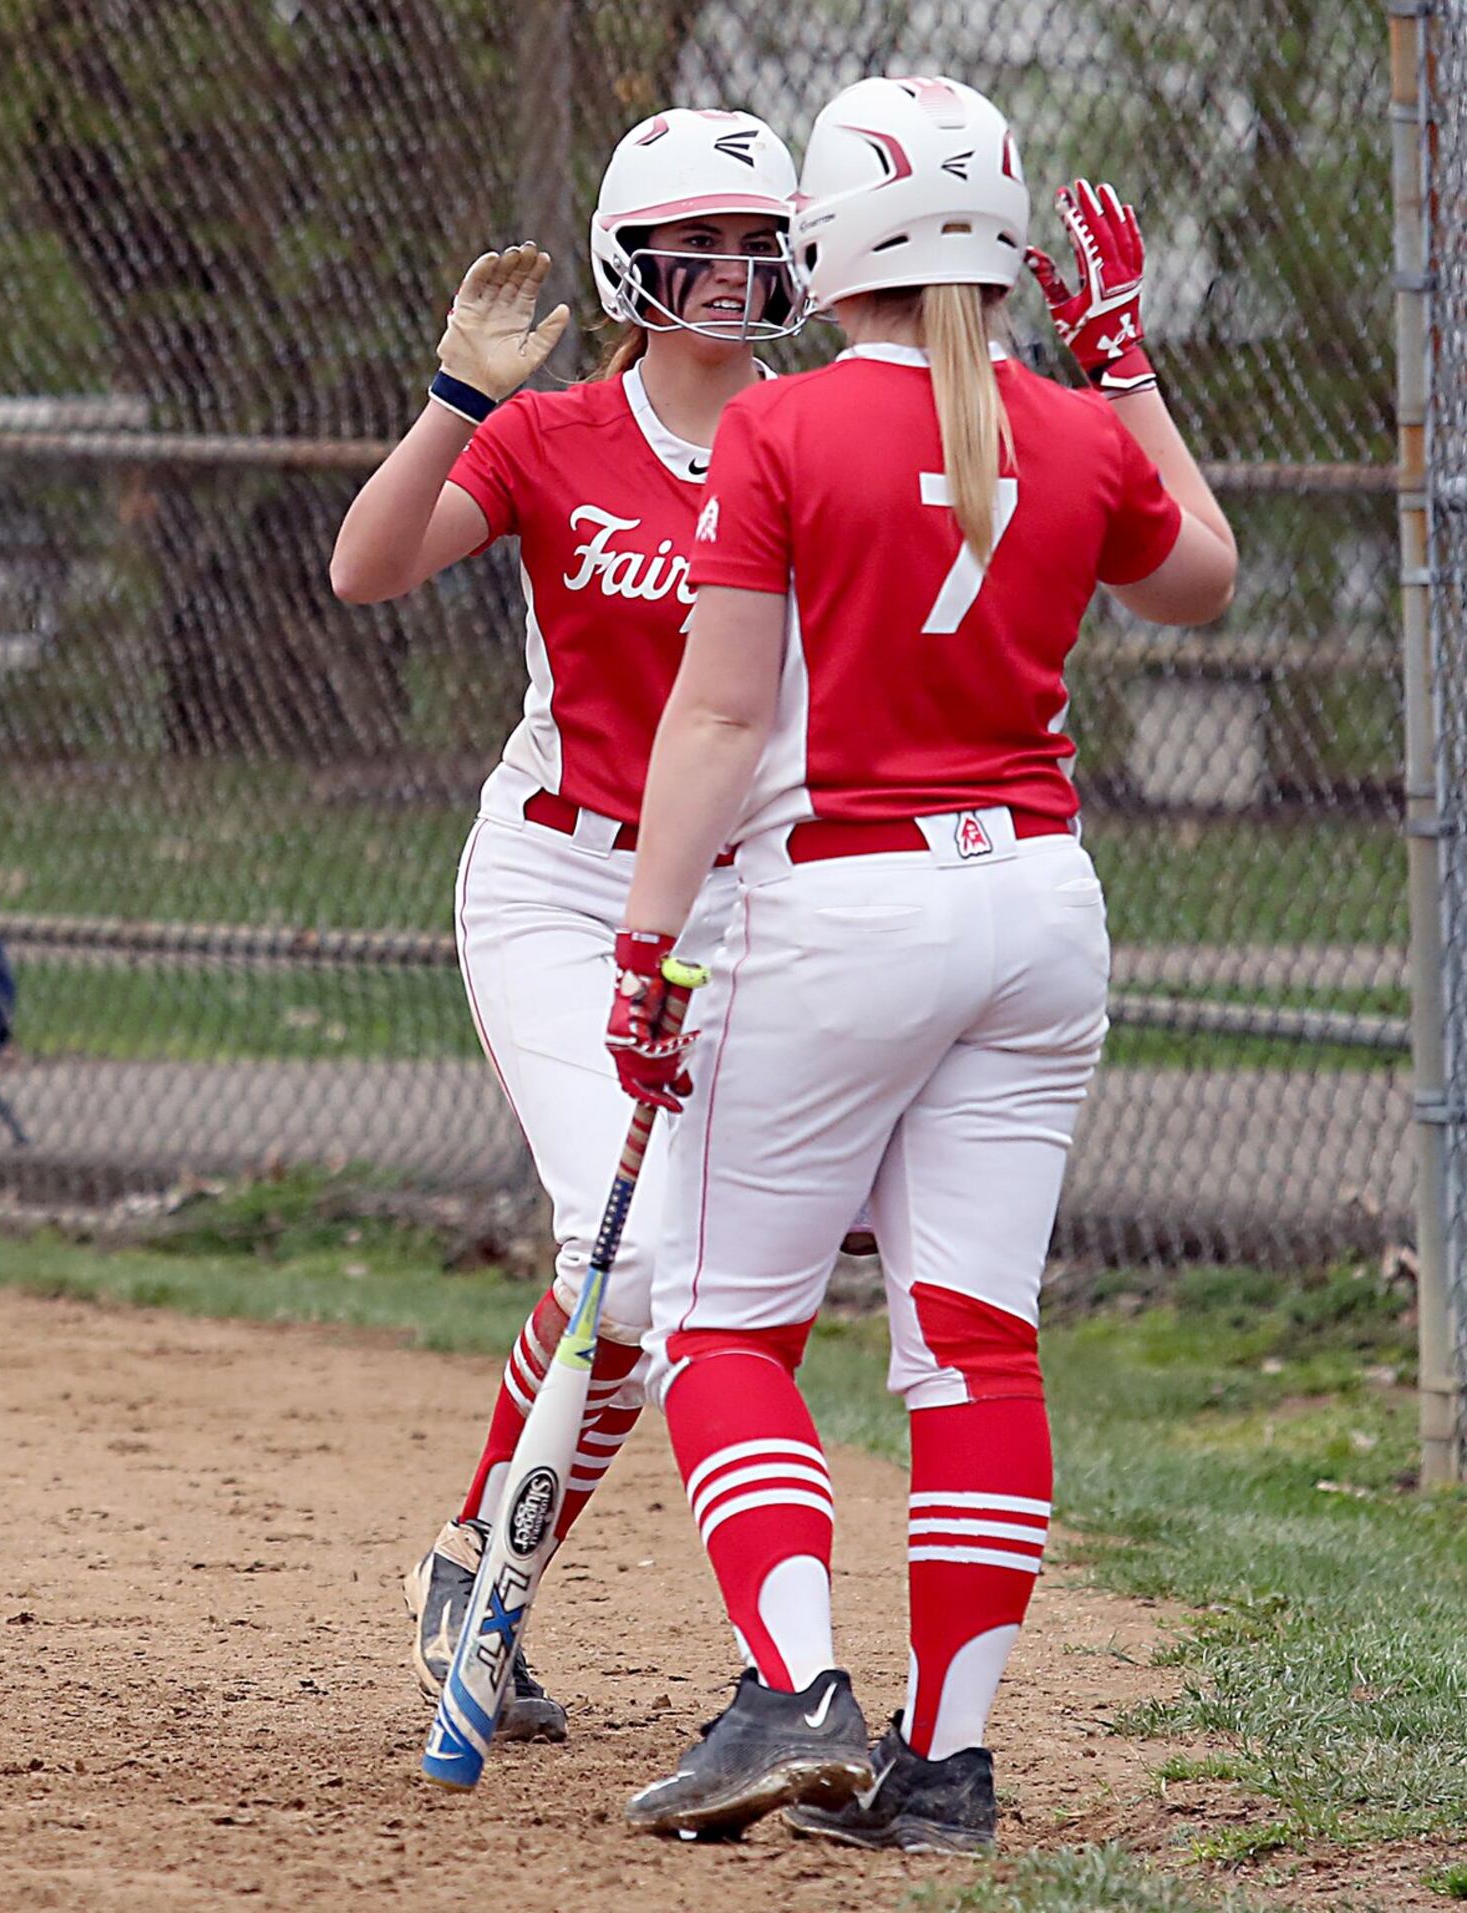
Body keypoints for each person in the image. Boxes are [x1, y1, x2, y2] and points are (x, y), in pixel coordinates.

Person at [604, 74, 1237, 1845]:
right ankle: (946, 1773)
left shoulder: (783, 431)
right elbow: (1207, 578)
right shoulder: (1079, 426)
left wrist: (646, 948)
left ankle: (800, 1690)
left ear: (832, 237)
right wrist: (1127, 370)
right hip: (1038, 907)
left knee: (725, 1323)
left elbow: (720, 720)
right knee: (975, 1345)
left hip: (847, 909)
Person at [330, 107, 805, 1743]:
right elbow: (367, 569)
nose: (735, 273)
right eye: (703, 245)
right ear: (633, 262)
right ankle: (780, 1664)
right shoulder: (549, 438)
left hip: (746, 897)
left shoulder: (807, 436)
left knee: (640, 1278)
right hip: (558, 879)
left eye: (759, 243)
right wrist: (463, 395)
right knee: (647, 1258)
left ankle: (478, 1564)